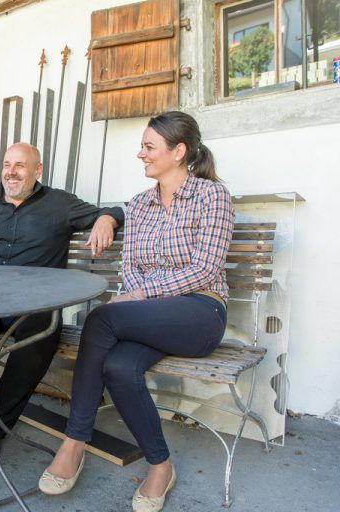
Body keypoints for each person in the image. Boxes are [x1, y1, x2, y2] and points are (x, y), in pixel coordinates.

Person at [38, 112, 234, 512]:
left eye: (149, 147)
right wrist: (136, 293)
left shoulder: (212, 196)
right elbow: (130, 266)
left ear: (178, 152)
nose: (140, 154)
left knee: (101, 318)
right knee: (118, 368)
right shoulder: (140, 205)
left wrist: (141, 296)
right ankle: (161, 466)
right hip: (151, 314)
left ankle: (74, 441)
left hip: (201, 313)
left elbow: (206, 269)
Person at [0, 142, 124, 466]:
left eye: (20, 165)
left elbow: (114, 212)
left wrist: (107, 219)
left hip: (30, 308)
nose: (11, 171)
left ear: (37, 171)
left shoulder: (60, 205)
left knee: (43, 326)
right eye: (7, 164)